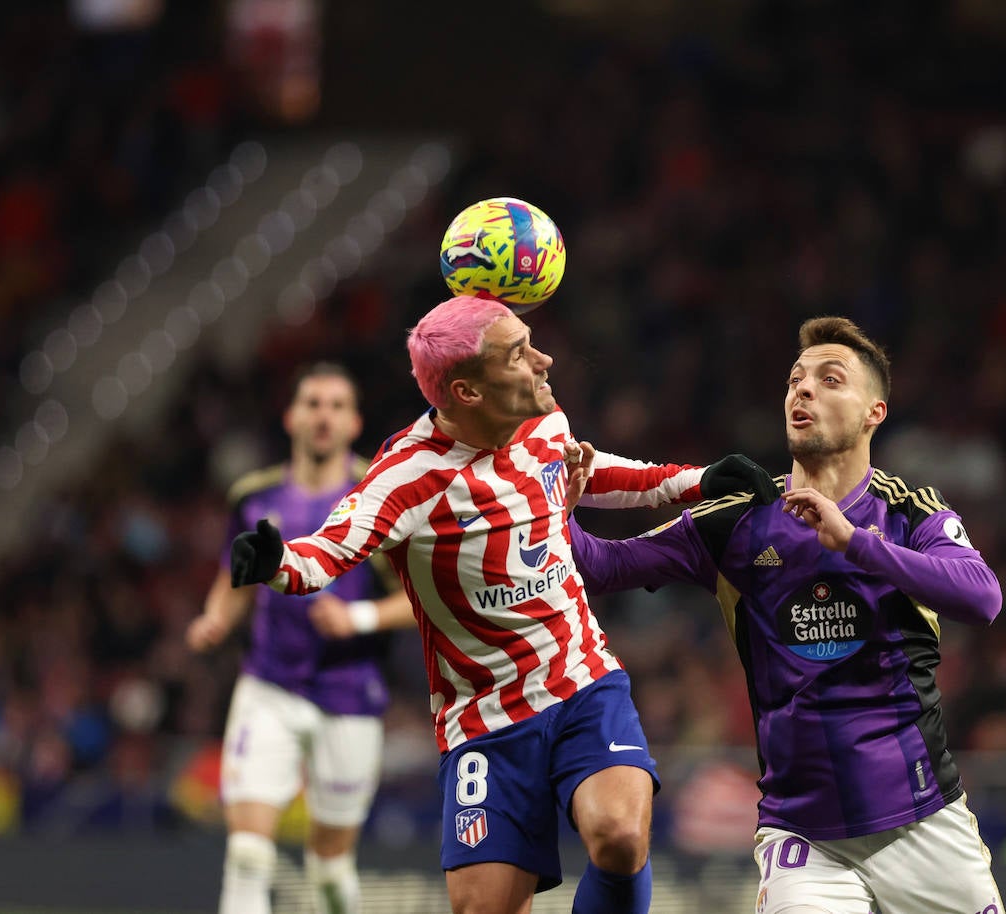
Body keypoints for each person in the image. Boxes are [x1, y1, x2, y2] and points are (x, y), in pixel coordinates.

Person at [228, 295, 778, 914]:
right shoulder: (406, 474)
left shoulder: (544, 424)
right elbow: (327, 551)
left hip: (581, 682)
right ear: (467, 392)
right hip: (483, 718)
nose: (544, 360)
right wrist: (275, 564)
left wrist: (695, 481)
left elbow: (589, 471)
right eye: (519, 353)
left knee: (620, 837)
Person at [568, 316, 1006, 914]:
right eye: (796, 380)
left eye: (831, 380)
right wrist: (556, 505)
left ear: (875, 412)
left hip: (925, 823)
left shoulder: (907, 512)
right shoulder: (736, 520)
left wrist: (855, 541)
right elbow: (601, 565)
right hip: (803, 838)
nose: (803, 390)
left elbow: (983, 598)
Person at [187, 361, 417, 914]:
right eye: (313, 403)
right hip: (269, 685)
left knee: (331, 867)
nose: (323, 415)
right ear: (291, 417)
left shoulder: (379, 497)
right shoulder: (253, 496)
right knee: (247, 852)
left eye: (336, 406)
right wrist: (215, 618)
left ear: (354, 422)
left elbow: (425, 600)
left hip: (350, 692)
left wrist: (357, 620)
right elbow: (236, 576)